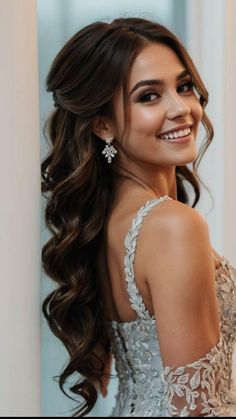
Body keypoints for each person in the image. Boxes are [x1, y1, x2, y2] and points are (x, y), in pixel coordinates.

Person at [41, 17, 236, 417]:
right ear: (102, 124)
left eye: (183, 87)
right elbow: (197, 409)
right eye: (149, 97)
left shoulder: (104, 221)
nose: (181, 109)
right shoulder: (173, 226)